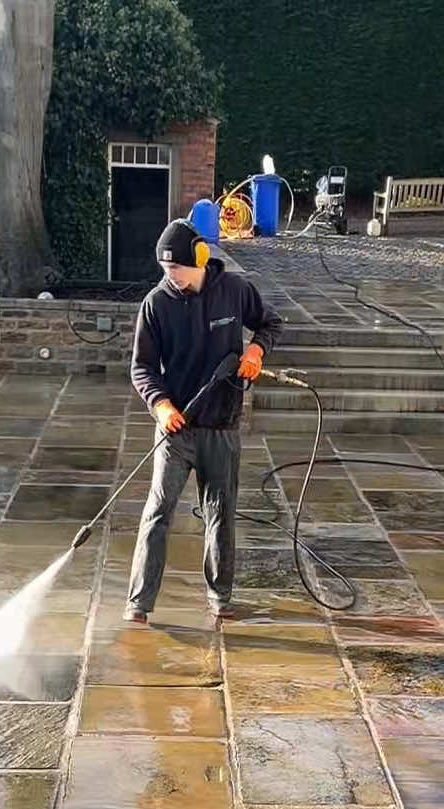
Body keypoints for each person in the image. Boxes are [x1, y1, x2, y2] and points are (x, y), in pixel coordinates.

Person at [125, 218, 283, 623]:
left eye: (176, 269)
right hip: (176, 430)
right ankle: (139, 604)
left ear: (199, 259)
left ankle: (221, 599)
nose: (171, 277)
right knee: (158, 512)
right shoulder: (156, 304)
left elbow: (270, 322)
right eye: (165, 271)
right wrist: (160, 405)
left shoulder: (234, 291)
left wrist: (255, 352)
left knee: (220, 511)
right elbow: (142, 368)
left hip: (222, 425)